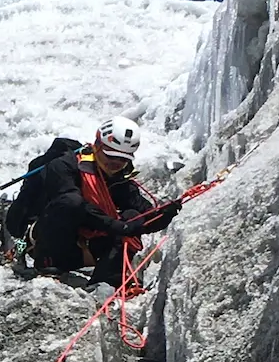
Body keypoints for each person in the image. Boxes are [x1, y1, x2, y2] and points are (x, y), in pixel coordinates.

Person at [11, 118, 181, 286]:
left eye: (123, 159)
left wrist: (165, 214)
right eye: (110, 155)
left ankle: (106, 281)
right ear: (97, 145)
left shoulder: (120, 180)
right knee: (71, 203)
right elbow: (70, 203)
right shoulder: (63, 166)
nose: (115, 163)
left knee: (132, 216)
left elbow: (144, 216)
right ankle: (48, 266)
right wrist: (115, 225)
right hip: (44, 245)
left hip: (84, 249)